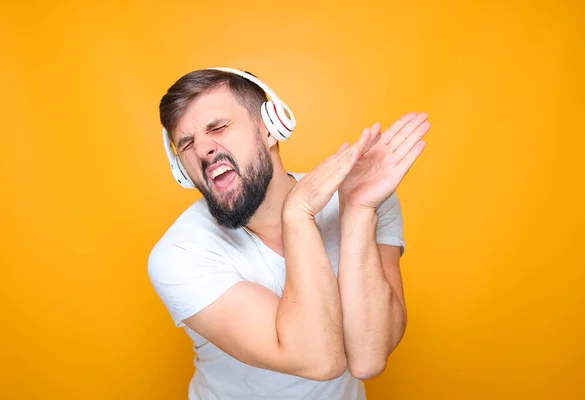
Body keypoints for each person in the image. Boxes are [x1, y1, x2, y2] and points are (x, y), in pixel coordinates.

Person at [148, 67, 430, 400]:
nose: (203, 149)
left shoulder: (364, 195)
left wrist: (357, 212)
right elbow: (318, 360)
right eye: (187, 144)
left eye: (219, 127)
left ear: (271, 127)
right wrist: (297, 215)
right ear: (182, 169)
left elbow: (370, 357)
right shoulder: (179, 255)